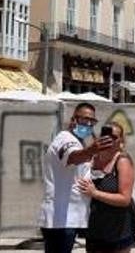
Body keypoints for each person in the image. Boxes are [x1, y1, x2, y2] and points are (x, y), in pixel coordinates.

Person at [39, 102, 112, 253]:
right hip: (60, 219)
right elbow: (73, 157)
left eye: (93, 121)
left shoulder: (79, 142)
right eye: (85, 119)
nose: (89, 124)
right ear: (74, 120)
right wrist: (91, 150)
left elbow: (81, 168)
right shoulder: (66, 139)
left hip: (69, 217)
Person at [76, 121, 135, 253]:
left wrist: (95, 193)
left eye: (114, 137)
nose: (109, 139)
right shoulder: (93, 159)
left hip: (118, 231)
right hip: (94, 230)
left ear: (121, 140)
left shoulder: (122, 161)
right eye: (106, 135)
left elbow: (124, 199)